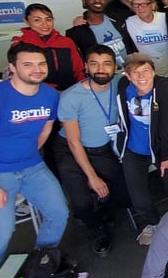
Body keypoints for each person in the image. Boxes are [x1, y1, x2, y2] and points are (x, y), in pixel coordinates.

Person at [0, 42, 68, 278]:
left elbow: (45, 129)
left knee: (58, 213)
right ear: (12, 67)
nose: (37, 69)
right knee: (1, 233)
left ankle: (40, 260)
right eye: (28, 64)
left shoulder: (50, 95)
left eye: (41, 64)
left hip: (32, 166)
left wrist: (28, 152)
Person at [55, 45, 131, 257]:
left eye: (107, 64)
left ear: (115, 67)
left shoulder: (120, 83)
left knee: (126, 194)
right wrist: (92, 177)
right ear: (86, 67)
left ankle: (100, 204)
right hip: (72, 151)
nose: (100, 69)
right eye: (94, 64)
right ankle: (95, 229)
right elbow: (73, 141)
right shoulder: (71, 96)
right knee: (81, 202)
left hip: (103, 149)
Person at [115, 53, 168, 246]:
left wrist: (166, 157)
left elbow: (167, 127)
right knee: (139, 200)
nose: (141, 76)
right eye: (135, 72)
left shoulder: (164, 89)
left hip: (161, 148)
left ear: (153, 72)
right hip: (134, 149)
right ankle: (154, 224)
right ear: (128, 76)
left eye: (146, 70)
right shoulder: (123, 86)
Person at [13, 3, 85, 91]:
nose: (45, 24)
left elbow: (79, 69)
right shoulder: (21, 44)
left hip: (71, 91)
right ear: (26, 21)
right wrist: (51, 92)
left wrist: (81, 89)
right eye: (37, 20)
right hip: (38, 93)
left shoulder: (66, 42)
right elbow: (23, 75)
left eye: (48, 19)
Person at [66, 0, 136, 69]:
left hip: (128, 73)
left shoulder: (119, 20)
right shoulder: (76, 33)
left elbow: (131, 47)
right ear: (84, 2)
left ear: (106, 0)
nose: (97, 0)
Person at [126, 0, 168, 76]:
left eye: (144, 4)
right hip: (147, 74)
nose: (140, 8)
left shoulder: (166, 18)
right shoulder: (128, 23)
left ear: (153, 5)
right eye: (136, 5)